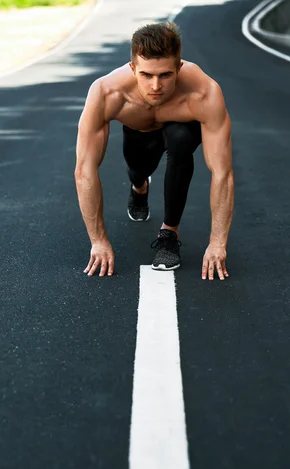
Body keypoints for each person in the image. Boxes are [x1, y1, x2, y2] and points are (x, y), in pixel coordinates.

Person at [75, 21, 234, 280]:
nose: (156, 86)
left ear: (179, 68)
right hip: (139, 133)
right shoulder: (107, 92)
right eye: (146, 75)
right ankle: (139, 186)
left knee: (181, 141)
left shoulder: (204, 93)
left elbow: (222, 173)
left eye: (165, 75)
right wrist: (98, 241)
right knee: (139, 169)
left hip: (180, 125)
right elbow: (85, 170)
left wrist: (218, 243)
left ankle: (169, 233)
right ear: (132, 68)